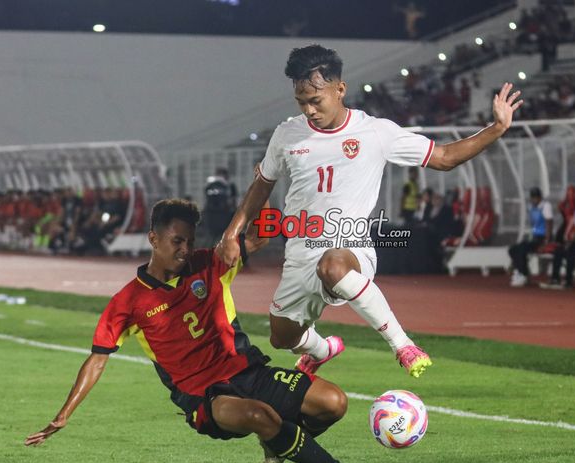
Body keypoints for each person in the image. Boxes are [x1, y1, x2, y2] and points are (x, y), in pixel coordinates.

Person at [217, 44, 523, 378]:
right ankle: (323, 349)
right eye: (301, 101)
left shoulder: (376, 132)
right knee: (282, 337)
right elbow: (263, 182)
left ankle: (403, 344)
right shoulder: (287, 134)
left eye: (315, 100)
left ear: (340, 89)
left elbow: (445, 158)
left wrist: (496, 128)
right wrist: (233, 233)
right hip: (299, 253)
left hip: (350, 249)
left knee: (332, 265)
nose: (309, 110)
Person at [25, 199, 348, 463]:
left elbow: (257, 237)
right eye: (177, 241)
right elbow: (97, 361)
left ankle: (276, 448)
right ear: (154, 239)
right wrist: (64, 415)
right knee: (259, 415)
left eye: (190, 241)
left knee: (333, 402)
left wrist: (265, 188)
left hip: (249, 372)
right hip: (203, 396)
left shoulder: (210, 263)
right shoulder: (128, 301)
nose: (185, 249)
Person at [508, 187, 553, 287]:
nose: (534, 200)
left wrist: (547, 240)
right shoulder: (531, 207)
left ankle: (522, 274)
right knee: (513, 249)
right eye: (533, 198)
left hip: (543, 238)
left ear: (540, 197)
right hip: (535, 237)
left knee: (522, 249)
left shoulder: (546, 206)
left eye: (536, 197)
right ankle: (521, 271)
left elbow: (549, 222)